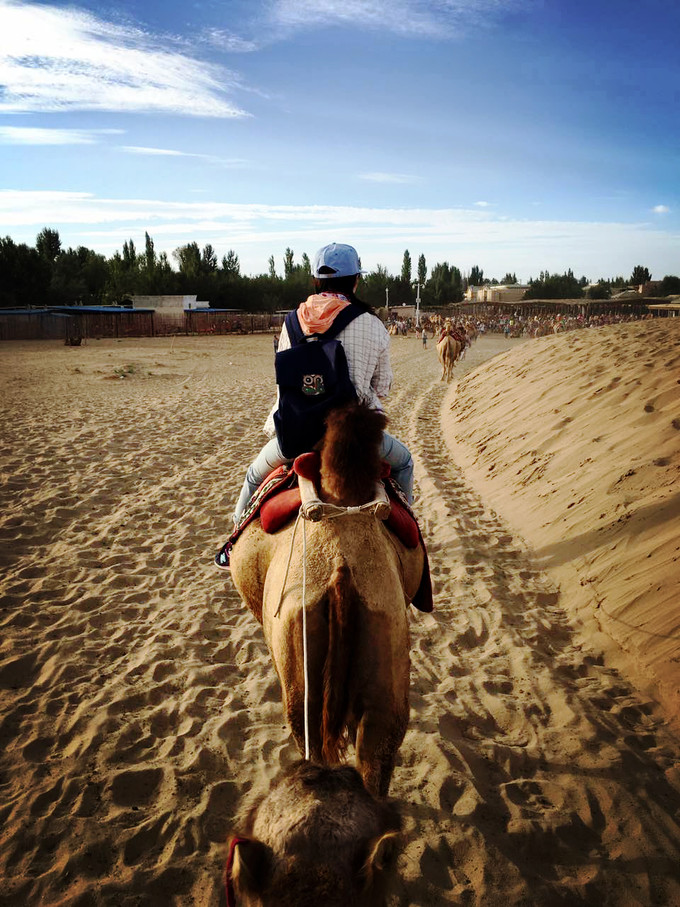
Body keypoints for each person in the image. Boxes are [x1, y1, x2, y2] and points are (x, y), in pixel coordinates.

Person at [233, 242, 414, 524]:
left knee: (254, 476)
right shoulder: (372, 324)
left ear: (316, 281)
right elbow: (382, 388)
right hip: (352, 438)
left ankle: (232, 542)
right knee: (404, 462)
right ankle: (407, 529)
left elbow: (284, 381)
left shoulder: (292, 321)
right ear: (356, 281)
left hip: (297, 434)